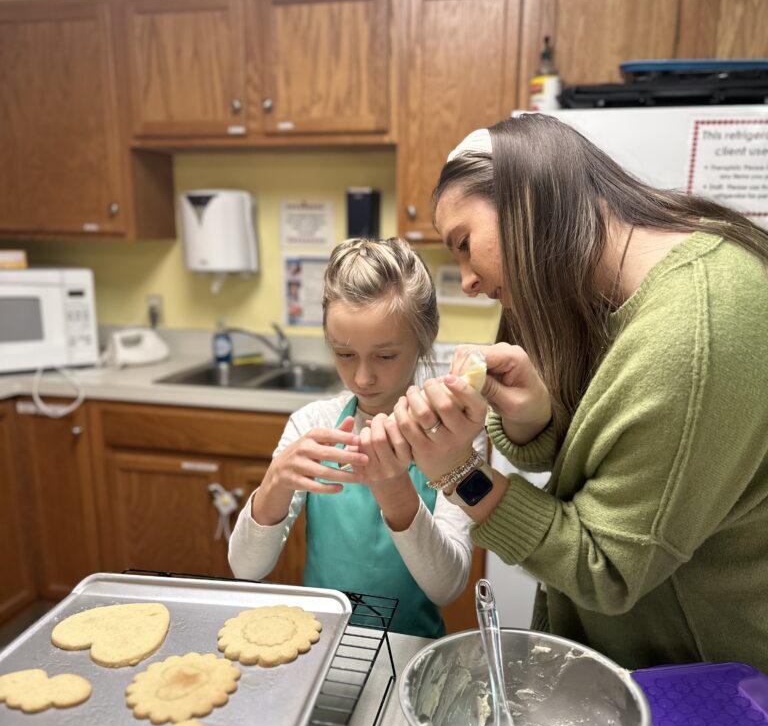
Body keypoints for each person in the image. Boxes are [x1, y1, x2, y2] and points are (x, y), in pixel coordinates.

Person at [389, 113, 768, 671]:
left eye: (465, 243)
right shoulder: (612, 294)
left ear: (525, 196)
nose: (467, 279)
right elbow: (616, 450)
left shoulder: (696, 328)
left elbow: (605, 569)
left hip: (701, 689)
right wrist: (537, 420)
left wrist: (457, 474)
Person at [228, 237, 478, 638]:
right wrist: (274, 483)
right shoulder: (312, 423)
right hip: (321, 644)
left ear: (424, 339)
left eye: (385, 356)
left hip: (409, 651)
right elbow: (246, 568)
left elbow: (446, 586)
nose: (362, 377)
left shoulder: (453, 432)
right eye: (345, 355)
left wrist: (393, 487)